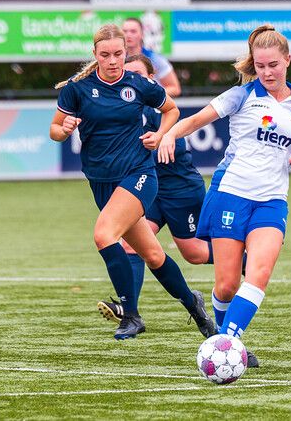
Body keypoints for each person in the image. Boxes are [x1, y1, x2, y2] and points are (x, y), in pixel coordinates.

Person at [49, 24, 215, 341]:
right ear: (95, 55)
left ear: (126, 53)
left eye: (118, 54)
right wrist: (65, 127)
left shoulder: (138, 84)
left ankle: (131, 314)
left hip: (139, 175)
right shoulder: (76, 88)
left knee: (104, 234)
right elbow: (54, 131)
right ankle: (194, 306)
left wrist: (161, 134)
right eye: (105, 55)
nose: (112, 61)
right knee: (152, 255)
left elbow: (172, 109)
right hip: (101, 183)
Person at [159, 25, 291, 356]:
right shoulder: (241, 95)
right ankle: (223, 336)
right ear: (253, 65)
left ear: (288, 60)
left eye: (274, 64)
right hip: (231, 194)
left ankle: (228, 343)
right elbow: (198, 119)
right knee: (227, 285)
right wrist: (170, 134)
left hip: (272, 201)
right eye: (260, 66)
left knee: (258, 273)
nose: (267, 72)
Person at [122, 17, 181, 97]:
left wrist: (151, 95)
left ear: (142, 34)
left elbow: (175, 88)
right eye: (125, 31)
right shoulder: (116, 60)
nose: (128, 35)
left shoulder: (155, 59)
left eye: (133, 31)